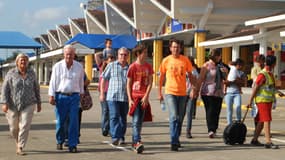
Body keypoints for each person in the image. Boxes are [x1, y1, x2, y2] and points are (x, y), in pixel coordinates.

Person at [158, 38, 196, 151]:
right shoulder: (166, 60)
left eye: (177, 47)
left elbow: (191, 75)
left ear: (180, 49)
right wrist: (159, 92)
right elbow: (161, 78)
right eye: (173, 47)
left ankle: (176, 138)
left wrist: (194, 89)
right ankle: (174, 141)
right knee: (174, 117)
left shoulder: (185, 60)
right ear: (170, 48)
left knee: (180, 118)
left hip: (183, 93)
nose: (175, 49)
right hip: (170, 92)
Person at [1, 53, 41, 155]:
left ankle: (20, 146)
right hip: (12, 104)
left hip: (29, 103)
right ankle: (17, 141)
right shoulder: (11, 73)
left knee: (25, 125)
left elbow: (36, 88)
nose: (23, 62)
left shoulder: (32, 73)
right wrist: (4, 102)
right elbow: (5, 89)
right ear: (17, 62)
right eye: (21, 60)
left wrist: (39, 102)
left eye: (25, 60)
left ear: (27, 62)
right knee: (14, 128)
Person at [48, 44, 84, 153]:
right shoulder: (57, 66)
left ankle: (72, 144)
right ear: (64, 54)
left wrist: (81, 93)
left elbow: (81, 81)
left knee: (74, 121)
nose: (69, 56)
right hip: (61, 96)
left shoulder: (79, 66)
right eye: (67, 54)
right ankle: (60, 140)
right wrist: (51, 95)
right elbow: (53, 82)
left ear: (74, 55)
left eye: (71, 54)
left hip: (74, 97)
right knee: (61, 121)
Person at [247, 55, 284, 149]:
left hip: (267, 101)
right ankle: (268, 141)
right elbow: (256, 87)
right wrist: (250, 100)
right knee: (267, 120)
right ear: (274, 64)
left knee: (261, 121)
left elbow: (270, 87)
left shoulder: (269, 74)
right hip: (262, 101)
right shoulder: (262, 74)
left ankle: (254, 140)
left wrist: (278, 92)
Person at [127, 44, 154, 153]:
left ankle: (135, 142)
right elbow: (128, 84)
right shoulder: (132, 67)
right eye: (145, 52)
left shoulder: (148, 66)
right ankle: (137, 141)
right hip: (135, 97)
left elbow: (150, 83)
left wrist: (147, 96)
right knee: (136, 120)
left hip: (144, 98)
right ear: (138, 54)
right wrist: (129, 99)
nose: (146, 54)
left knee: (139, 121)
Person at [100, 47, 130, 146]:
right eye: (121, 54)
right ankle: (115, 137)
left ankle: (121, 136)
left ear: (128, 56)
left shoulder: (130, 68)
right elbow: (103, 78)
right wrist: (101, 93)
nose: (123, 57)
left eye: (125, 55)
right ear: (118, 55)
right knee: (114, 116)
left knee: (123, 118)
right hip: (112, 96)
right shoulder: (111, 65)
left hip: (125, 97)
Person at [196, 49, 228, 138]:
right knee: (210, 111)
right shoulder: (206, 66)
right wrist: (196, 90)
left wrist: (225, 72)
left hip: (218, 92)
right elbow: (200, 79)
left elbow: (225, 79)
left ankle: (214, 128)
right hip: (207, 93)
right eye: (219, 56)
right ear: (215, 56)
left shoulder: (221, 66)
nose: (220, 58)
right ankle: (211, 129)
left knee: (217, 111)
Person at [94, 39, 116, 137]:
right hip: (104, 91)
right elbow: (96, 55)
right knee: (105, 110)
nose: (111, 59)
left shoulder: (115, 67)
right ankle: (104, 128)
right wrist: (105, 51)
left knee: (112, 111)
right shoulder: (101, 66)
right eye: (109, 58)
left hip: (112, 91)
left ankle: (111, 129)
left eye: (112, 58)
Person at [224, 58, 247, 125]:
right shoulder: (231, 70)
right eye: (239, 65)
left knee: (238, 106)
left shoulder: (242, 73)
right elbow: (226, 82)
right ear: (235, 65)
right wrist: (225, 88)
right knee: (229, 110)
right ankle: (229, 124)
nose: (240, 67)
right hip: (228, 93)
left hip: (237, 93)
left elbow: (244, 83)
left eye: (241, 65)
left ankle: (238, 121)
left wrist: (236, 80)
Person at [185, 56, 200, 138]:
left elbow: (197, 82)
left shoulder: (194, 71)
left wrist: (195, 91)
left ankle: (188, 131)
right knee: (180, 114)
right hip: (182, 94)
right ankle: (178, 130)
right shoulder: (182, 70)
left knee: (190, 113)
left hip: (191, 93)